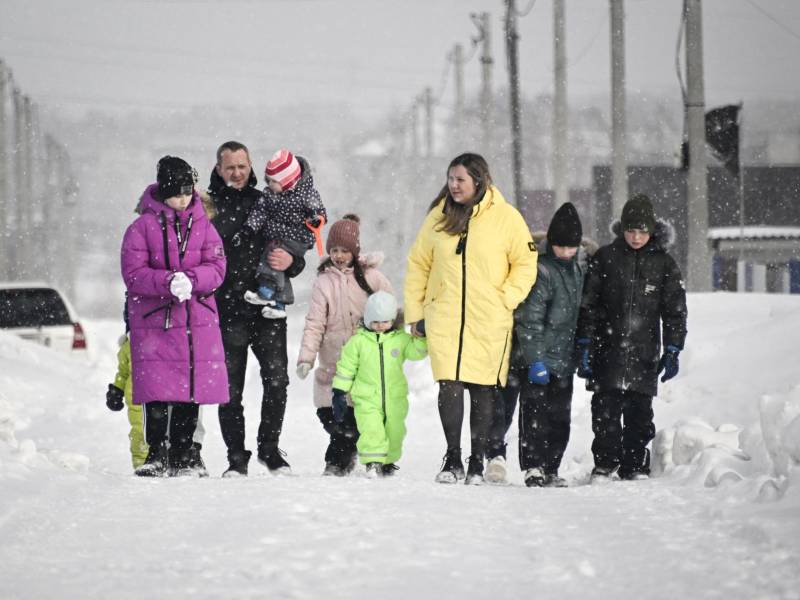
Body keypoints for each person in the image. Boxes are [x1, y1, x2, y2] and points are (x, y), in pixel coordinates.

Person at [404, 152, 538, 485]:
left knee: (482, 389)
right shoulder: (438, 216)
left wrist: (505, 298)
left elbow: (525, 263)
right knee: (449, 385)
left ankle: (477, 460)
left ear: (478, 180)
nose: (453, 185)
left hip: (488, 319)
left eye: (460, 179)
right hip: (445, 316)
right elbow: (418, 264)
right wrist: (417, 313)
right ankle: (452, 458)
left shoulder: (507, 218)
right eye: (450, 178)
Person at [120, 156, 229, 477]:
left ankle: (184, 452)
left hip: (195, 319)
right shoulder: (141, 228)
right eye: (176, 193)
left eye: (187, 192)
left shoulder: (204, 227)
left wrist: (192, 280)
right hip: (156, 319)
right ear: (163, 191)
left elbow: (217, 267)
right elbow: (133, 273)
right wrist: (166, 281)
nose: (183, 200)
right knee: (156, 389)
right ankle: (156, 451)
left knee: (190, 387)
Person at [208, 141, 306, 477]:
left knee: (277, 381)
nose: (237, 173)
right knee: (229, 388)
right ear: (219, 169)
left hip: (268, 308)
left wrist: (293, 261)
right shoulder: (207, 207)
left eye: (242, 166)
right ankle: (236, 458)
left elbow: (295, 240)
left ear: (251, 166)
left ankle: (269, 450)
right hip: (226, 309)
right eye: (230, 167)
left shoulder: (267, 201)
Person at [576, 194, 688, 481]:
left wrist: (673, 349)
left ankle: (635, 463)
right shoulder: (606, 258)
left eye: (642, 231)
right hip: (608, 350)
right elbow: (589, 305)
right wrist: (585, 344)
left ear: (651, 231)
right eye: (631, 230)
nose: (636, 237)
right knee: (605, 411)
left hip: (644, 352)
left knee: (640, 412)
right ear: (622, 229)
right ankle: (605, 462)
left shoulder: (664, 264)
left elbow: (675, 310)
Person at [296, 214, 393, 476]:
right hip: (334, 363)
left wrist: (391, 338)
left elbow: (390, 309)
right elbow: (315, 322)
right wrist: (306, 357)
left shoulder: (372, 278)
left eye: (344, 250)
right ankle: (347, 450)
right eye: (335, 250)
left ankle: (349, 458)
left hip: (366, 364)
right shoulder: (323, 282)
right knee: (331, 415)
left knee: (364, 414)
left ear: (355, 251)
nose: (339, 256)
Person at [502, 202, 586, 488]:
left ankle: (552, 467)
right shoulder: (541, 271)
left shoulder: (579, 270)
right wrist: (535, 359)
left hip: (564, 358)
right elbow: (529, 320)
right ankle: (533, 466)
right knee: (534, 413)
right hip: (537, 357)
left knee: (560, 417)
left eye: (571, 247)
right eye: (560, 246)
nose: (566, 252)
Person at [331, 291, 428, 477]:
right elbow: (346, 367)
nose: (380, 326)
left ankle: (388, 461)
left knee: (395, 431)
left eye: (384, 322)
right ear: (367, 320)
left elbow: (417, 352)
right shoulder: (358, 342)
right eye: (375, 322)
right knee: (371, 429)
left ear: (392, 320)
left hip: (395, 397)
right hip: (366, 397)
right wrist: (339, 391)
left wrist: (422, 338)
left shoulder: (401, 340)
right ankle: (373, 462)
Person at [237, 149, 327, 319]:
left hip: (298, 238)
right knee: (279, 265)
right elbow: (259, 212)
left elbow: (318, 210)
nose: (269, 184)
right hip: (279, 236)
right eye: (268, 180)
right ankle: (279, 305)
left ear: (288, 181)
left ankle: (266, 291)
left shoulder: (306, 194)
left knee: (271, 256)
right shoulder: (269, 194)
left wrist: (316, 218)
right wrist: (250, 227)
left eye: (274, 181)